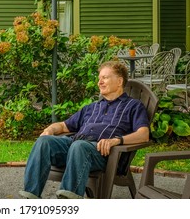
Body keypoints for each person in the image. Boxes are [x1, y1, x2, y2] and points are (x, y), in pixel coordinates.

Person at [19, 61, 150, 199]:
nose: (100, 82)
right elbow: (64, 126)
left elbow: (144, 134)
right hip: (74, 145)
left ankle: (68, 199)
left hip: (103, 153)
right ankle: (30, 198)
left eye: (105, 78)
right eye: (99, 79)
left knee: (79, 146)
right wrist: (50, 130)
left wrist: (117, 141)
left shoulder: (133, 106)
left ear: (119, 81)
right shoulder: (92, 107)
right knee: (43, 142)